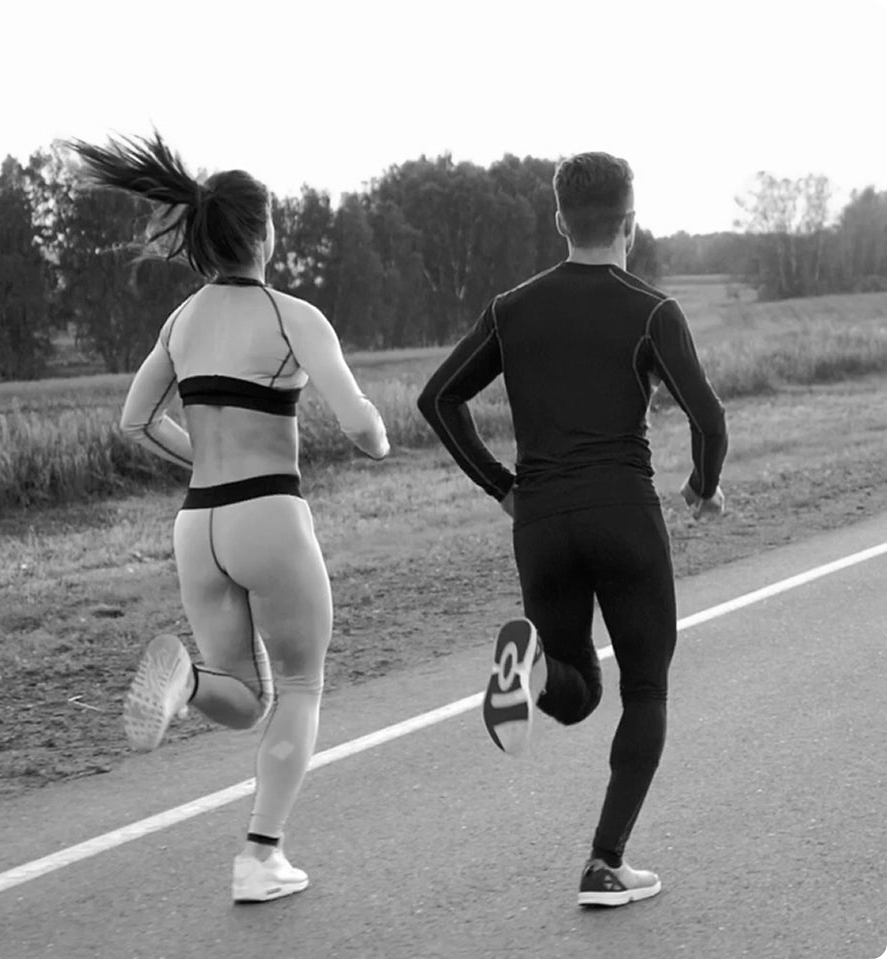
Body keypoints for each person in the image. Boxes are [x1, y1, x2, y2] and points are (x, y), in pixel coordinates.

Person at [65, 132, 390, 904]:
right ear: (262, 233)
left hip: (198, 523)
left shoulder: (180, 323)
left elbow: (134, 419)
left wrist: (204, 460)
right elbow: (362, 430)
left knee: (241, 697)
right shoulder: (292, 315)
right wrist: (376, 430)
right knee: (303, 682)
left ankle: (183, 688)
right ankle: (259, 855)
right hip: (269, 513)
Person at [417, 152, 727, 908]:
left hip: (543, 519)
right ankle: (604, 862)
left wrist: (502, 487)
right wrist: (701, 489)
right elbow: (709, 418)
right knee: (643, 687)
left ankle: (532, 672)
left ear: (560, 220)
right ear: (631, 221)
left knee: (576, 688)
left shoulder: (511, 308)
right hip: (624, 511)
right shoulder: (651, 310)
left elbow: (437, 400)